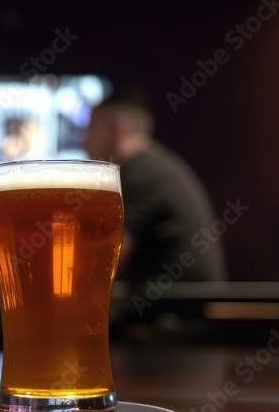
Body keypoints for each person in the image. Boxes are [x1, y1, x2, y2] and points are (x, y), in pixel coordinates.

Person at [86, 91, 227, 284]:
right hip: (181, 300)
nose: (84, 141)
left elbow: (109, 261)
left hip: (179, 306)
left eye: (90, 130)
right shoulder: (153, 164)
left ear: (117, 129)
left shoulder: (141, 173)